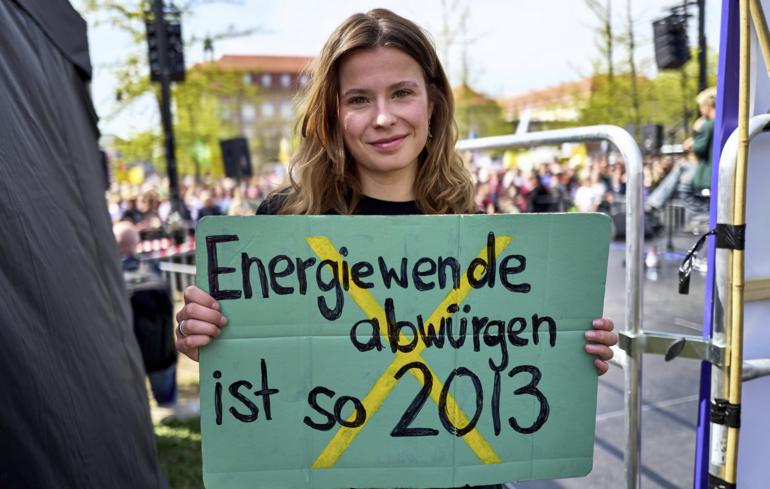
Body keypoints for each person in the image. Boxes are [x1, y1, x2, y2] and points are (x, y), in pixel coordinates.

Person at [174, 9, 617, 488]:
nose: (384, 118)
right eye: (360, 99)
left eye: (402, 93)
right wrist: (211, 338)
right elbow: (262, 380)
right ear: (333, 115)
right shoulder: (284, 226)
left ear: (432, 102)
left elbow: (511, 360)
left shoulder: (479, 232)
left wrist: (570, 349)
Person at [114, 221, 178, 407]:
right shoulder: (154, 270)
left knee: (132, 408)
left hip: (127, 356)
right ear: (135, 244)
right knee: (168, 407)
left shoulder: (110, 277)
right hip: (161, 353)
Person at [645, 87, 716, 225]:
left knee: (682, 176)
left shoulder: (708, 125)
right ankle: (654, 202)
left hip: (708, 172)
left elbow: (699, 150)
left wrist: (694, 136)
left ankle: (701, 217)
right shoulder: (719, 123)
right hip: (714, 169)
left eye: (700, 107)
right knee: (682, 172)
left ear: (706, 107)